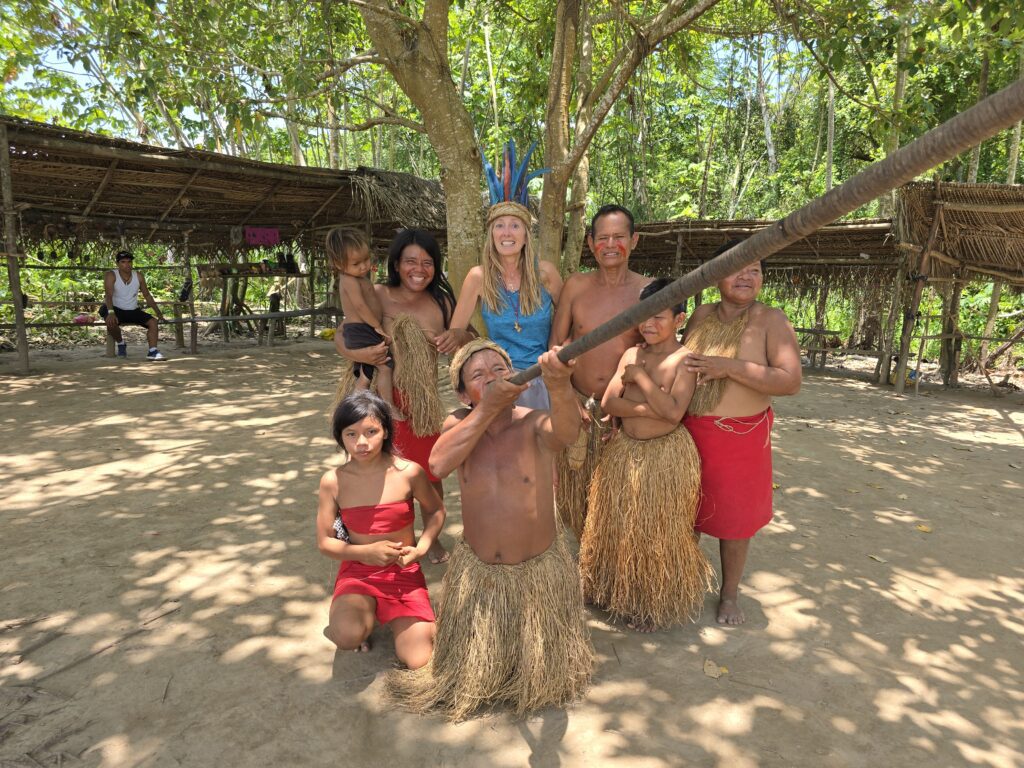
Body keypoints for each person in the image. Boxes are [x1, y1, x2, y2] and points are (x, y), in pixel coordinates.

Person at [386, 339, 593, 721]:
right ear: (464, 395)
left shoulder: (533, 422)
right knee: (472, 674)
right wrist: (487, 409)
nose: (493, 378)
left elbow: (566, 434)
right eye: (479, 375)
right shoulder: (457, 424)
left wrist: (560, 384)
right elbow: (438, 464)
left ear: (517, 379)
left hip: (536, 576)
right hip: (480, 576)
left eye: (500, 370)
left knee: (536, 676)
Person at [580, 278, 714, 632]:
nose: (648, 324)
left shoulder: (685, 360)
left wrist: (639, 378)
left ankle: (648, 604)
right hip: (625, 452)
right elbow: (610, 403)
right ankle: (608, 589)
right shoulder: (630, 354)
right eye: (644, 315)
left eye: (658, 316)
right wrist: (648, 406)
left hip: (664, 458)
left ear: (679, 319)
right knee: (616, 524)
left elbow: (674, 414)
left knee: (654, 534)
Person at [334, 229, 475, 565]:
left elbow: (472, 339)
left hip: (420, 405)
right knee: (383, 474)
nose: (419, 269)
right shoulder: (376, 293)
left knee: (429, 476)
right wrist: (362, 356)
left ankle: (431, 538)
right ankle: (392, 538)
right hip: (379, 401)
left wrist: (459, 336)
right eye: (411, 261)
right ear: (396, 264)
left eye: (427, 263)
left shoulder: (442, 302)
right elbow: (343, 332)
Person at [682, 241, 802, 626]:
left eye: (755, 269)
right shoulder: (701, 314)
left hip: (741, 438)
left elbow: (790, 381)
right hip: (690, 432)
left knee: (736, 522)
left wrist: (728, 367)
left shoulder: (771, 320)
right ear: (717, 273)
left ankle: (729, 594)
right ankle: (680, 584)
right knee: (685, 515)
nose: (747, 276)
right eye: (738, 268)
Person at [316, 391, 445, 668]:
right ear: (340, 437)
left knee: (418, 659)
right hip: (358, 570)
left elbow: (435, 510)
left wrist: (422, 548)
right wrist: (365, 553)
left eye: (371, 431)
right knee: (347, 636)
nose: (361, 442)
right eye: (351, 434)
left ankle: (379, 613)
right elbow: (325, 542)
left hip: (402, 570)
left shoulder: (409, 472)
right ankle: (357, 615)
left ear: (386, 430)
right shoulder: (333, 481)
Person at [548, 204, 650, 537]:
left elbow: (658, 353)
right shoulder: (576, 286)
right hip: (579, 407)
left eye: (618, 237)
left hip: (624, 413)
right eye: (602, 238)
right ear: (591, 243)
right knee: (577, 497)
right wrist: (566, 398)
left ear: (634, 240)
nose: (610, 245)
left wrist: (629, 406)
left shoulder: (649, 291)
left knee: (621, 502)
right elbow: (556, 346)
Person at [436, 142, 563, 409]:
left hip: (544, 380)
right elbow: (457, 334)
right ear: (491, 234)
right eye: (499, 226)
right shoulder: (478, 277)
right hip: (498, 384)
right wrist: (455, 343)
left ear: (526, 235)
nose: (507, 233)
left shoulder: (546, 273)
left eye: (515, 225)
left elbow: (569, 322)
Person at [325, 227, 394, 412]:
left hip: (363, 329)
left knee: (367, 372)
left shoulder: (358, 277)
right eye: (356, 263)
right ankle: (388, 407)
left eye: (366, 259)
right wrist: (377, 326)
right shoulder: (349, 280)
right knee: (385, 366)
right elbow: (361, 306)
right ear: (339, 264)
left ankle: (356, 405)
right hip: (361, 329)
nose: (364, 266)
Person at [101, 249, 166, 360]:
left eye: (129, 261)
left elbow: (147, 295)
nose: (127, 264)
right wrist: (111, 312)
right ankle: (121, 343)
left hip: (132, 310)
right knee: (110, 322)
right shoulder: (111, 275)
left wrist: (158, 313)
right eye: (123, 262)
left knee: (153, 322)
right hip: (115, 308)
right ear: (117, 263)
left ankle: (153, 351)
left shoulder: (138, 276)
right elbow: (108, 295)